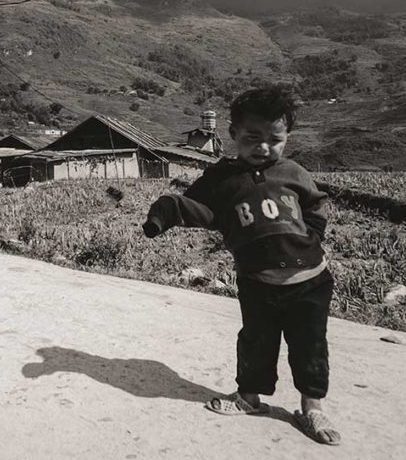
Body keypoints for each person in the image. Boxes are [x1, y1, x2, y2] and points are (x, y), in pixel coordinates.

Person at [141, 86, 340, 446]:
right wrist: (165, 212)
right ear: (233, 134)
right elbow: (193, 206)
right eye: (253, 137)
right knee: (255, 341)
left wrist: (310, 237)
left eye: (274, 139)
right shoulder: (221, 179)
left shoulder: (293, 172)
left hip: (309, 279)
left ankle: (312, 407)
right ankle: (250, 399)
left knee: (309, 345)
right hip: (257, 280)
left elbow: (316, 206)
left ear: (286, 138)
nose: (263, 147)